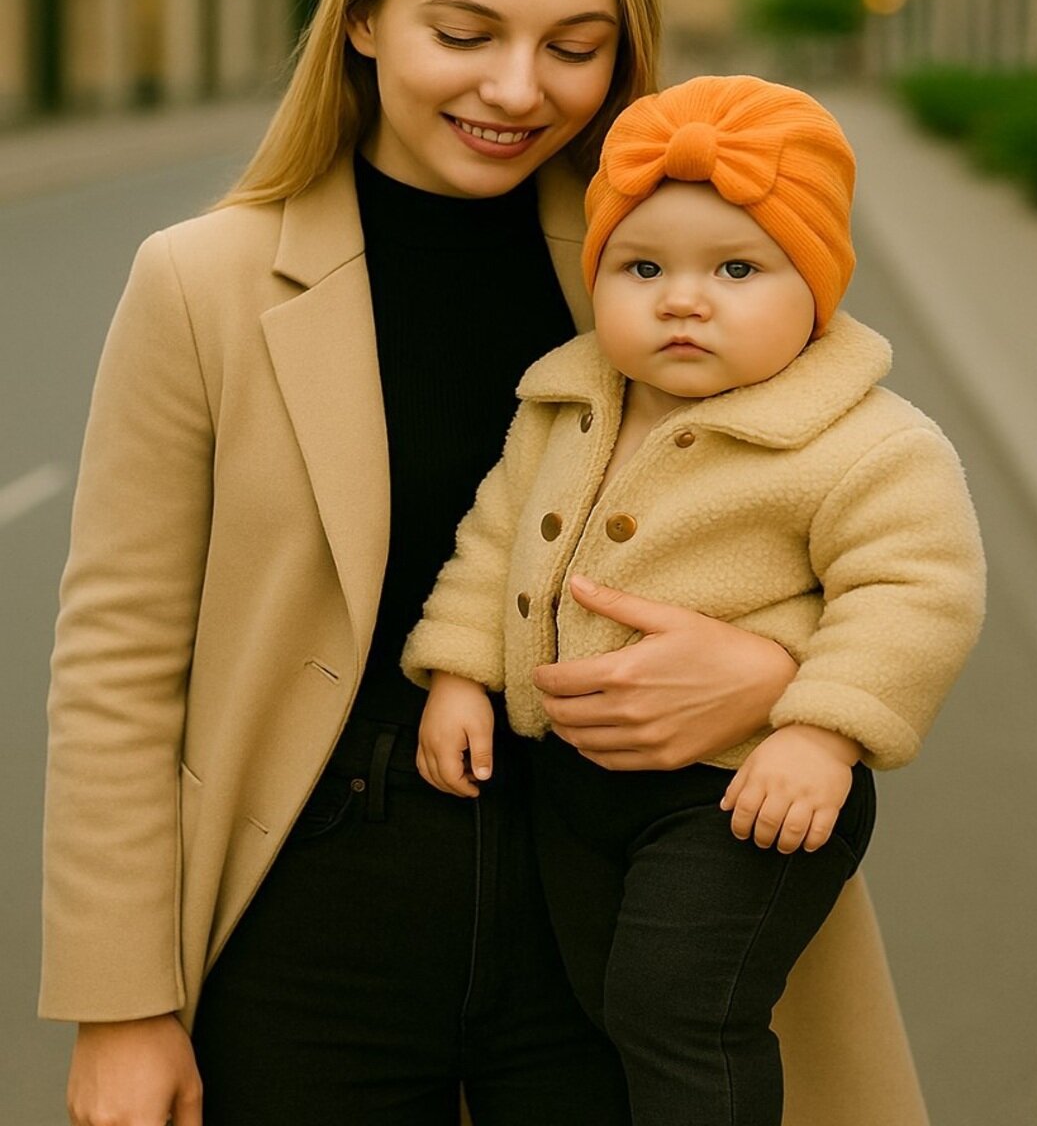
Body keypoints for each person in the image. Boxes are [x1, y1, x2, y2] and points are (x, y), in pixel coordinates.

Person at [40, 0, 928, 1126]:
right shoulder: (202, 282)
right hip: (309, 922)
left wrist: (784, 681)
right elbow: (118, 659)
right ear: (364, 19)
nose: (518, 89)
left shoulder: (665, 259)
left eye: (576, 48)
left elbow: (878, 523)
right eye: (465, 34)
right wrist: (123, 1004)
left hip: (619, 912)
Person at [401, 75, 986, 1126]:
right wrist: (457, 672)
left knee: (680, 1007)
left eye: (736, 268)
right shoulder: (566, 399)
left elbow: (913, 592)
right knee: (598, 1008)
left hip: (742, 794)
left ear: (816, 290)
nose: (682, 297)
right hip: (574, 783)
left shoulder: (864, 441)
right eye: (642, 267)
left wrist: (820, 734)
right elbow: (495, 538)